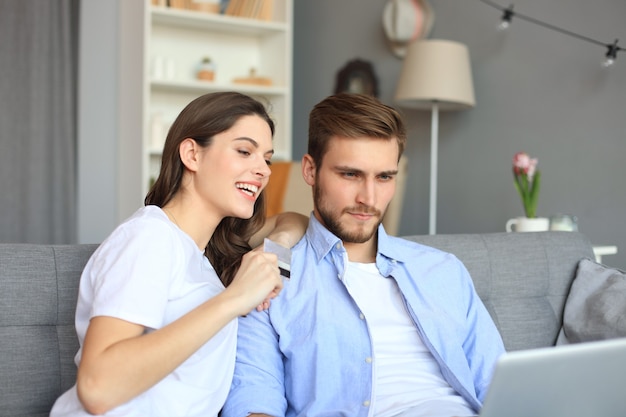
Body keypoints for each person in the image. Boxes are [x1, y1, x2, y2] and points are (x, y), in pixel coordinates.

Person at [222, 93, 506, 417]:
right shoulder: (271, 278)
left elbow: (502, 387)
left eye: (384, 177)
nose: (368, 198)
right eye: (350, 174)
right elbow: (254, 402)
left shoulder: (443, 271)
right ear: (310, 170)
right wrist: (279, 246)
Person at [50, 91, 307, 417]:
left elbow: (295, 221)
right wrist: (235, 300)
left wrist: (274, 254)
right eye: (245, 151)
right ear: (192, 154)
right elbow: (97, 388)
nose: (264, 170)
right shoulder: (150, 237)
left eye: (267, 159)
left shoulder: (203, 250)